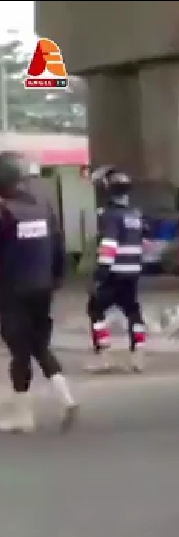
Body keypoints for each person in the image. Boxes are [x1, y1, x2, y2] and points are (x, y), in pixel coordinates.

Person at [0, 151, 77, 432]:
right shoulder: (42, 206)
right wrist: (56, 278)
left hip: (12, 290)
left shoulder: (4, 212)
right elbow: (58, 244)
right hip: (42, 287)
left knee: (20, 352)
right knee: (38, 345)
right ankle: (66, 399)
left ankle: (23, 417)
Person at [85, 167, 148, 374]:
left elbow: (109, 245)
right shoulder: (135, 215)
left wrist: (100, 274)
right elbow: (143, 241)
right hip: (133, 272)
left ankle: (104, 355)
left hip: (114, 272)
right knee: (133, 311)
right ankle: (138, 354)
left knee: (95, 309)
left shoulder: (110, 216)